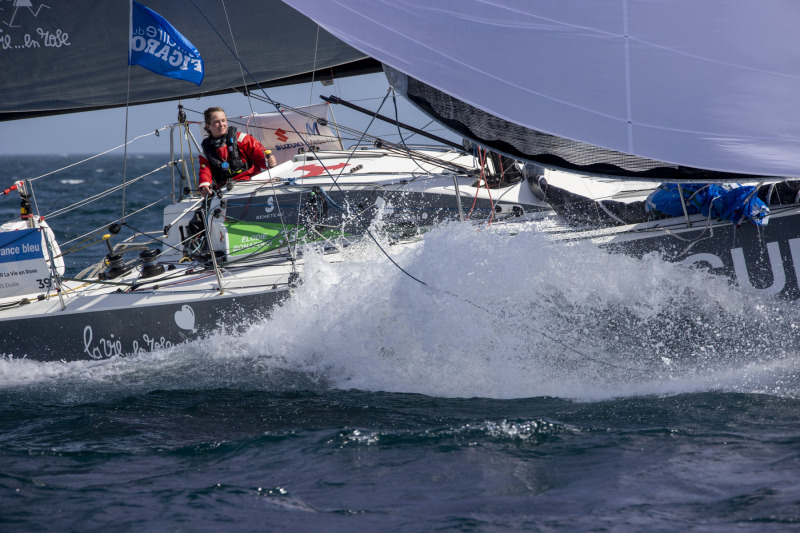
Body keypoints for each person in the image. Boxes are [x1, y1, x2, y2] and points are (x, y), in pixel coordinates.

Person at [198, 107, 277, 196]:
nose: (221, 124)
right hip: (225, 190)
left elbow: (260, 155)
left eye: (223, 120)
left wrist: (268, 161)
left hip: (251, 184)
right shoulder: (206, 153)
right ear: (208, 126)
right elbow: (205, 172)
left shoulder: (242, 139)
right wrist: (204, 184)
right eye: (217, 122)